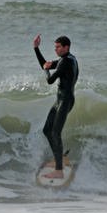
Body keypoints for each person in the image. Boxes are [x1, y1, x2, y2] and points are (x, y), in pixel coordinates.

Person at [33, 34, 79, 179]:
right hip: (60, 100)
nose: (55, 49)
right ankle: (58, 160)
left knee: (55, 133)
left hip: (65, 101)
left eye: (58, 47)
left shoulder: (66, 62)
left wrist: (46, 70)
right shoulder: (65, 59)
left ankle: (59, 170)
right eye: (55, 47)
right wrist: (36, 48)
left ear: (66, 47)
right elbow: (45, 64)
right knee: (47, 130)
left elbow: (50, 80)